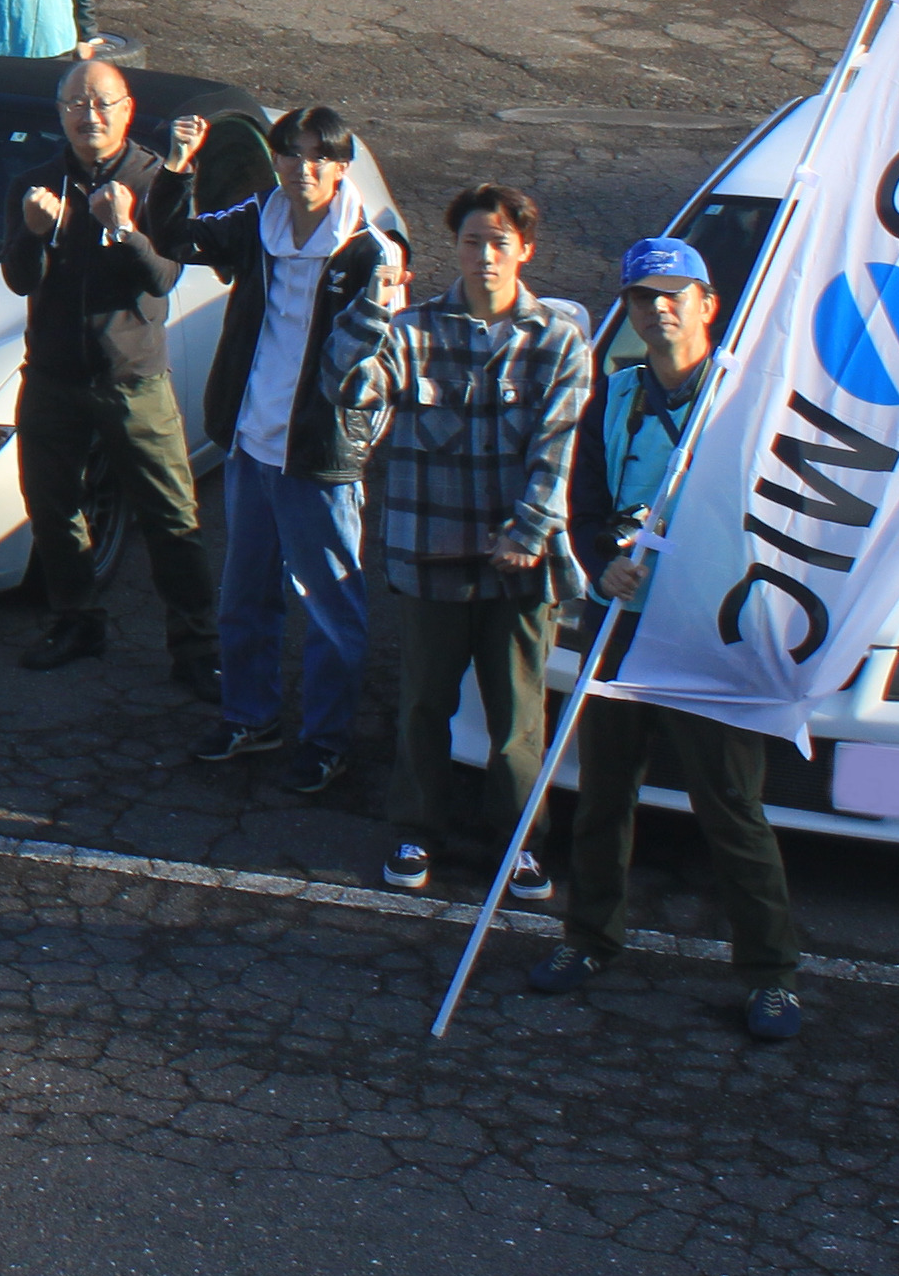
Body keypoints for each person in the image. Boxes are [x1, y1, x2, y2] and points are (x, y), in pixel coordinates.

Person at [534, 238, 804, 1043]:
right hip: (622, 624)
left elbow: (779, 519)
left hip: (708, 633)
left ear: (707, 303)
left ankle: (771, 974)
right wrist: (602, 562)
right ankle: (588, 937)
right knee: (603, 795)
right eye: (643, 297)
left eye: (674, 294)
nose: (659, 309)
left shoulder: (746, 400)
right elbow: (582, 509)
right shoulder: (612, 397)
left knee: (730, 804)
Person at [326, 181, 593, 903]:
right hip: (428, 558)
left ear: (526, 250)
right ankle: (417, 830)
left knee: (517, 718)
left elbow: (557, 450)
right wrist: (373, 306)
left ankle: (519, 844)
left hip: (519, 568)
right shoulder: (412, 329)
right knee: (424, 705)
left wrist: (528, 532)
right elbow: (347, 388)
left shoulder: (559, 341)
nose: (485, 257)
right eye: (473, 242)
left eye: (499, 243)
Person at [164, 104, 396, 796]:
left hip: (318, 458)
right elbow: (173, 236)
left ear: (342, 166)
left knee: (330, 609)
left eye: (320, 156)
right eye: (290, 155)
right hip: (251, 446)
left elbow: (376, 369)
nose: (304, 169)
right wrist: (176, 170)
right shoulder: (256, 220)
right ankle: (250, 716)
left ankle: (325, 742)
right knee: (245, 596)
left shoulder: (368, 252)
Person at [0, 60, 217, 692]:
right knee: (53, 506)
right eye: (75, 104)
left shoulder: (158, 180)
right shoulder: (37, 183)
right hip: (53, 374)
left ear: (126, 110)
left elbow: (164, 278)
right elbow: (20, 280)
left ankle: (196, 642)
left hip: (133, 380)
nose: (87, 116)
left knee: (171, 515)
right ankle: (75, 618)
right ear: (60, 113)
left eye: (101, 104)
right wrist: (35, 236)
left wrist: (124, 228)